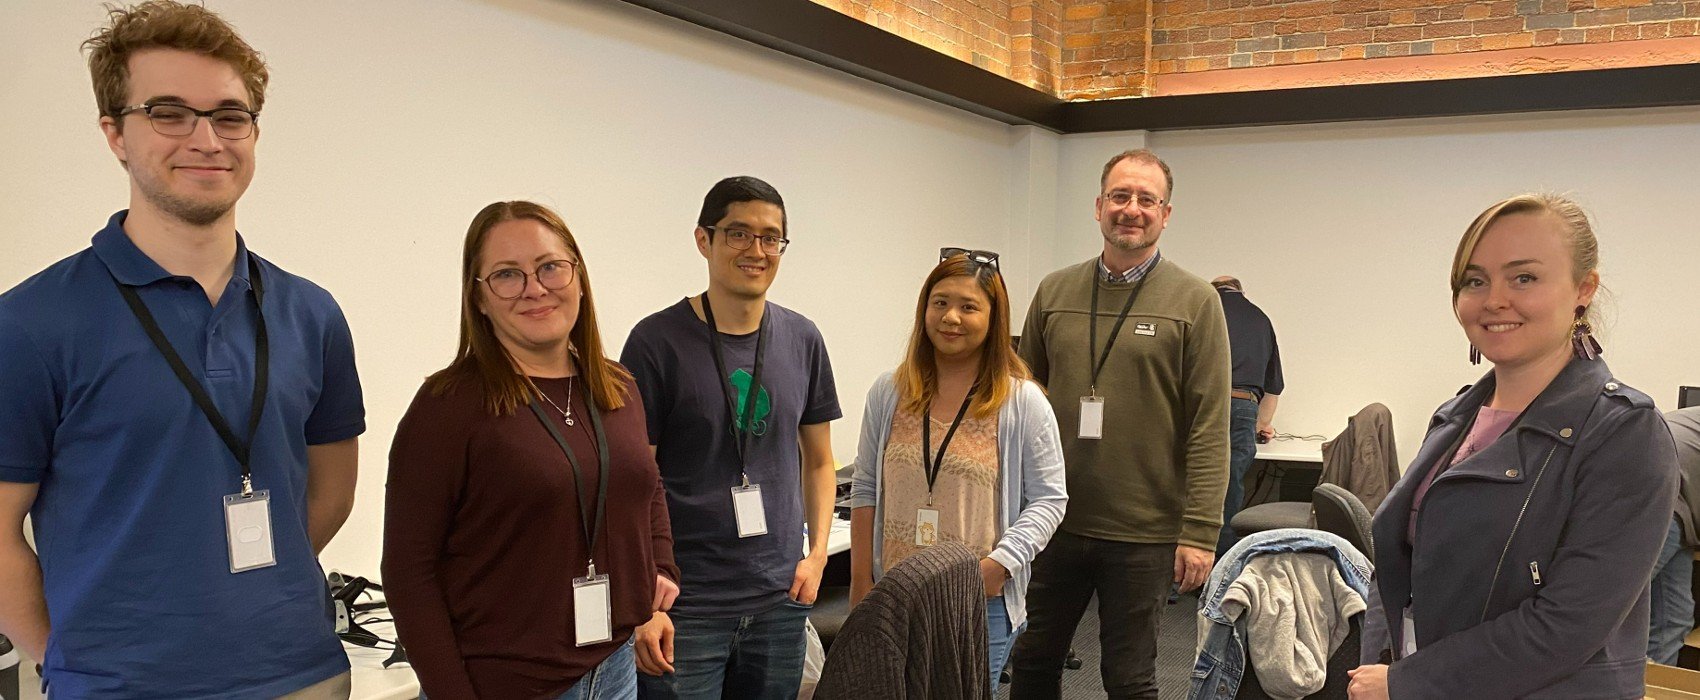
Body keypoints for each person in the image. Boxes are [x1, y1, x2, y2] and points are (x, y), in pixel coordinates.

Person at [0, 3, 364, 697]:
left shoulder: (312, 313)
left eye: (230, 116)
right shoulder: (29, 322)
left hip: (303, 674)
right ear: (115, 134)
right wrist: (72, 656)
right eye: (169, 113)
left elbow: (331, 492)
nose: (207, 139)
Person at [1349, 194, 1679, 699]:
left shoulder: (1625, 433)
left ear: (1583, 290)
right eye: (1475, 280)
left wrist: (1406, 681)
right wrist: (1385, 663)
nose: (1494, 299)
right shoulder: (1454, 419)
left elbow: (1568, 626)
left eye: (1524, 278)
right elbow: (1397, 569)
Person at [384, 201, 680, 699]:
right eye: (506, 274)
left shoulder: (617, 387)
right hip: (502, 684)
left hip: (614, 669)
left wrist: (662, 564)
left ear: (578, 277)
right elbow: (408, 570)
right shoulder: (448, 407)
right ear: (478, 298)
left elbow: (646, 483)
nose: (534, 288)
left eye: (550, 267)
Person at [1008, 149, 1232, 700]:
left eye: (1146, 199)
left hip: (1145, 531)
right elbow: (1021, 401)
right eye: (1120, 196)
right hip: (1051, 519)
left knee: (1129, 678)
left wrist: (1200, 532)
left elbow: (1210, 425)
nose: (1131, 209)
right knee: (1033, 662)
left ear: (1166, 213)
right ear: (1099, 205)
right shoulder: (1054, 291)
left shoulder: (1196, 301)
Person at [620, 176, 841, 699]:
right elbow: (633, 484)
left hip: (779, 600)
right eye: (739, 234)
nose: (756, 251)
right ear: (704, 240)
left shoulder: (803, 338)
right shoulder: (655, 343)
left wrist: (816, 557)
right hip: (686, 604)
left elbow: (820, 462)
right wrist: (644, 602)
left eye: (771, 238)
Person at [847, 249, 1069, 689]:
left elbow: (1049, 499)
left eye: (969, 307)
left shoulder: (1021, 402)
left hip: (974, 602)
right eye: (940, 302)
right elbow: (866, 487)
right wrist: (860, 582)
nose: (951, 317)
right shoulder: (889, 392)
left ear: (993, 319)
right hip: (894, 593)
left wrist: (998, 567)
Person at [1210, 275, 1284, 558]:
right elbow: (1273, 387)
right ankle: (1222, 571)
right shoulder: (1260, 319)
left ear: (1212, 291)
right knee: (1230, 486)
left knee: (1189, 485)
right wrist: (1261, 425)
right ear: (1241, 291)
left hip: (1201, 403)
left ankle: (1177, 580)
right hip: (1243, 405)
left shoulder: (1203, 309)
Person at [1649, 407, 1700, 665]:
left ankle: (1654, 689)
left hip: (1679, 508)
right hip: (1657, 495)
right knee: (1610, 610)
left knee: (1673, 617)